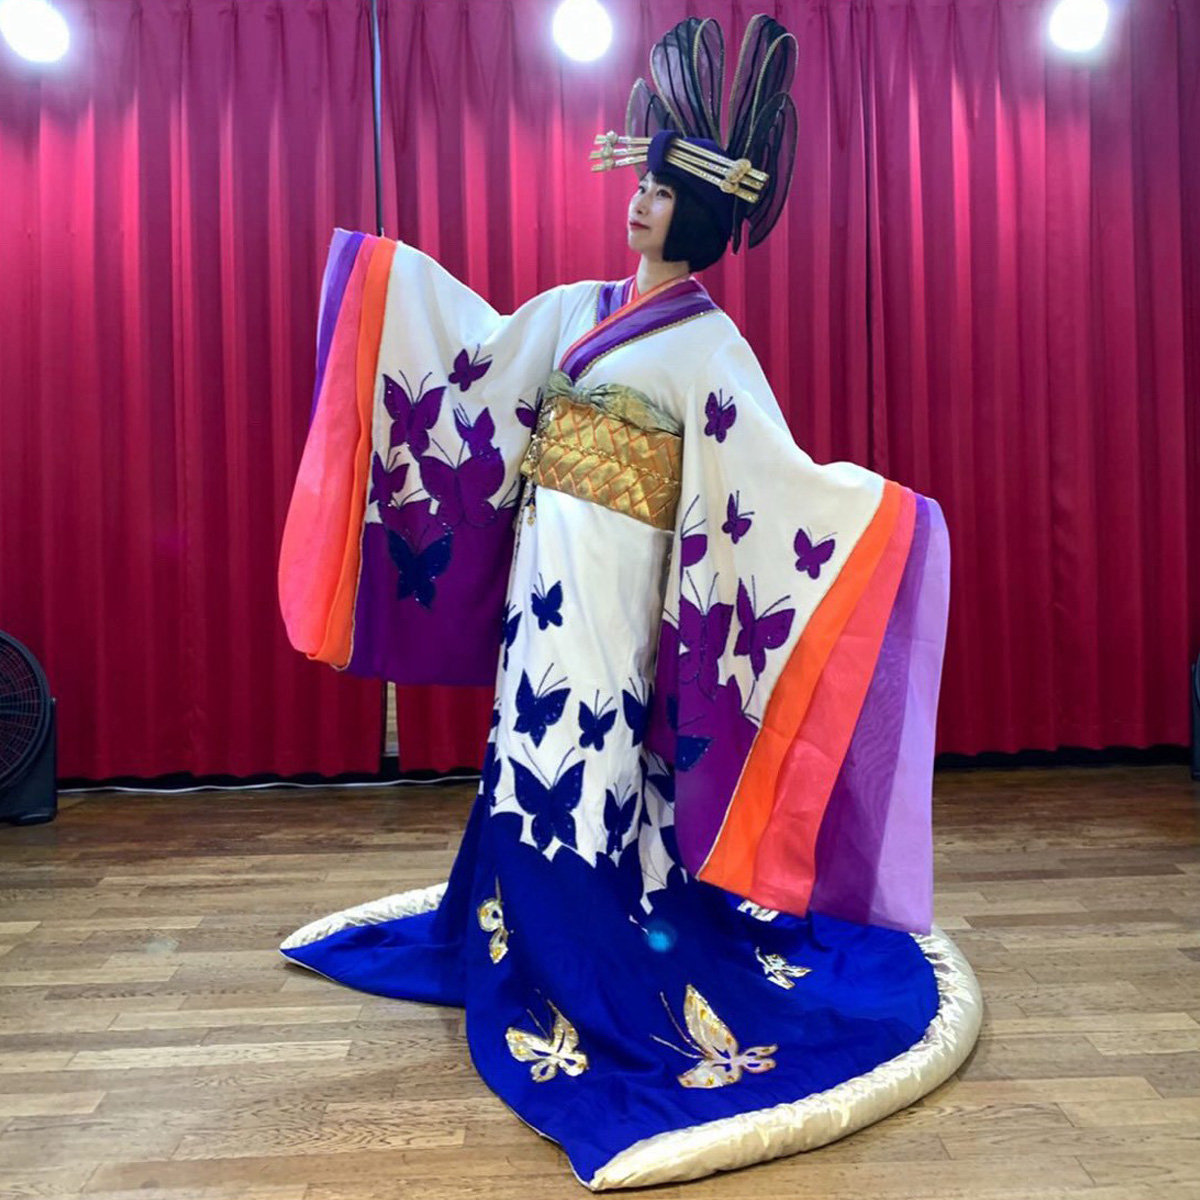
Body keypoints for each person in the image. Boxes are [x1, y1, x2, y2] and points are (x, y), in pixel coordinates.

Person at [277, 14, 981, 1190]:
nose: (639, 204)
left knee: (591, 751)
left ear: (695, 214)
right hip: (540, 579)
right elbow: (476, 353)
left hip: (621, 588)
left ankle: (589, 946)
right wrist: (382, 285)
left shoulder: (708, 349)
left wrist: (881, 514)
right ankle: (512, 924)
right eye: (641, 184)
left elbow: (766, 478)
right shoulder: (576, 308)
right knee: (524, 740)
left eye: (659, 192)